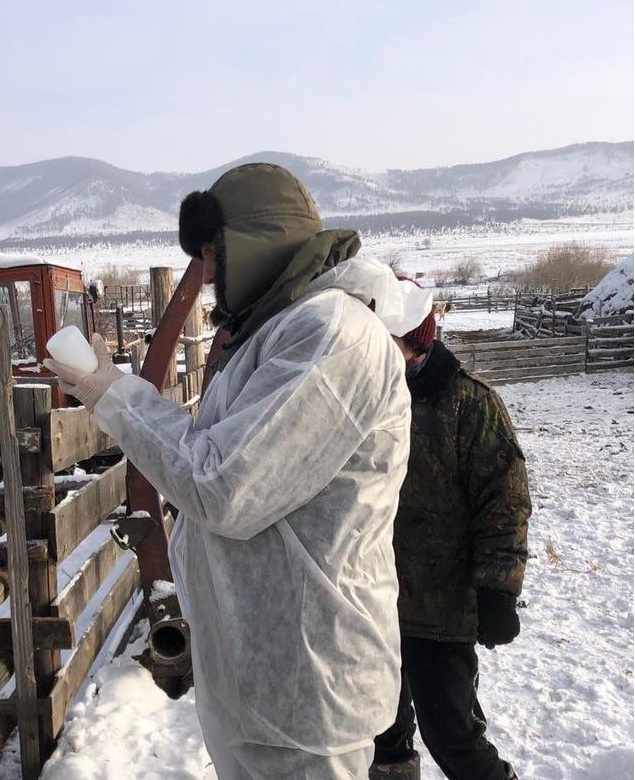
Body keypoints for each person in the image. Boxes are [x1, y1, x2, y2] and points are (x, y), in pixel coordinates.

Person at [46, 162, 427, 780]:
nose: (210, 275)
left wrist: (109, 391)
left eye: (214, 255)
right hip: (265, 683)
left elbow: (222, 485)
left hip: (306, 691)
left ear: (257, 243)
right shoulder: (277, 333)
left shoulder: (334, 335)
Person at [370, 301, 532, 780]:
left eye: (385, 342)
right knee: (381, 734)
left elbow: (505, 502)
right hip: (373, 601)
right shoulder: (366, 400)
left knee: (452, 737)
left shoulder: (471, 403)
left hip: (441, 611)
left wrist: (499, 588)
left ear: (415, 343)